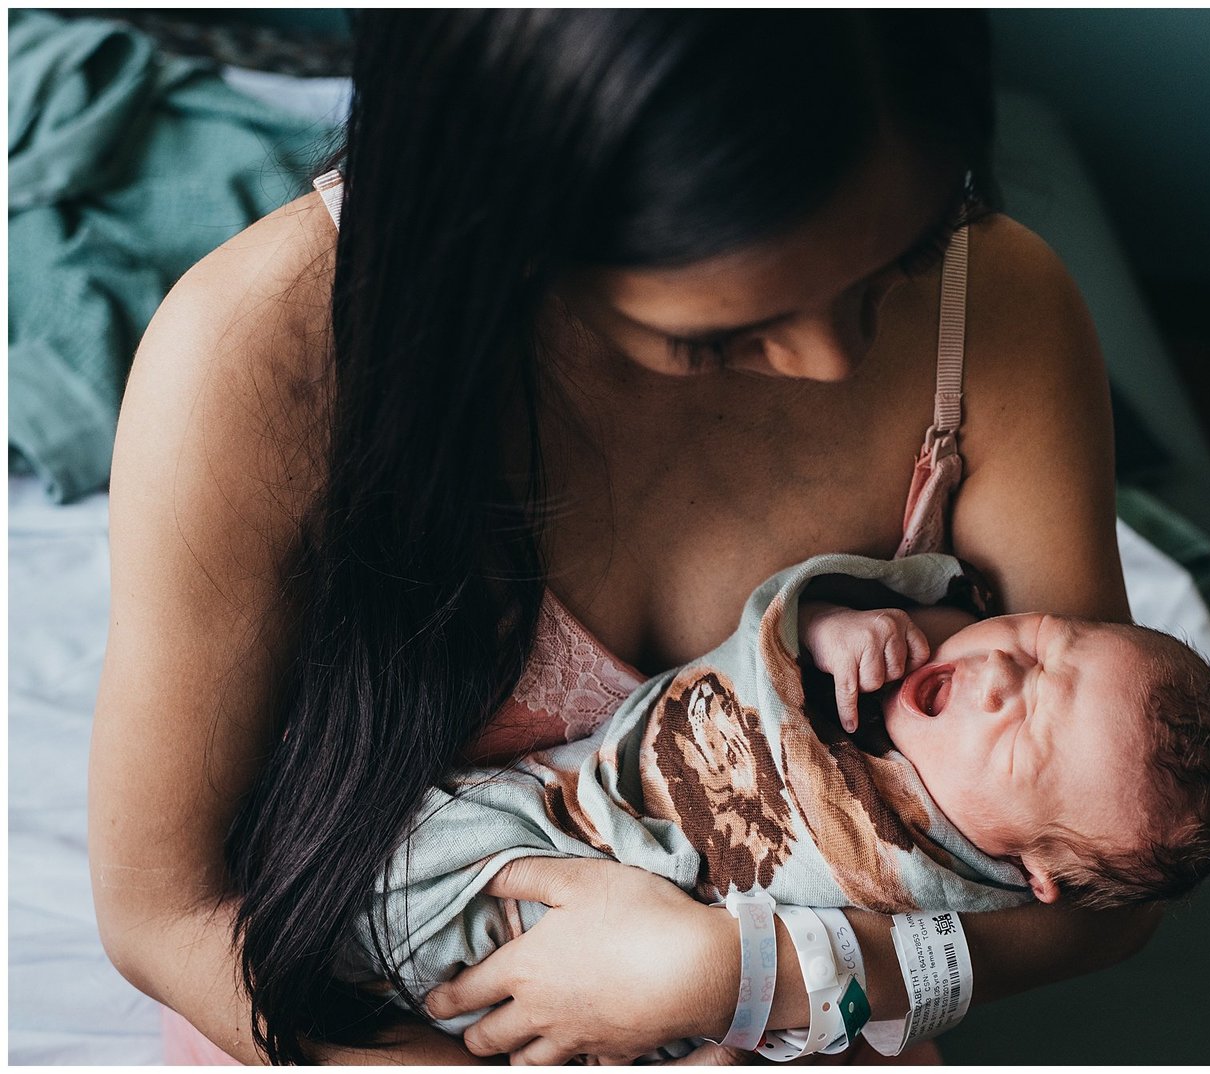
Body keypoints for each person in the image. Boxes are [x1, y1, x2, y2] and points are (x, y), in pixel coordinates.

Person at [88, 10, 1154, 1066]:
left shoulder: (997, 311)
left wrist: (755, 978)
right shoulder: (257, 362)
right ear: (505, 220)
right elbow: (166, 915)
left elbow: (1120, 878)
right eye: (714, 337)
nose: (835, 362)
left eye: (901, 254)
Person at [346, 553, 1210, 1059]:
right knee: (400, 865)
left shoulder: (940, 899)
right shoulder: (887, 651)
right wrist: (826, 624)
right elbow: (766, 643)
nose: (1002, 673)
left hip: (633, 1006)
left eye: (1025, 733)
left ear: (1037, 871)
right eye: (1039, 637)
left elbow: (850, 997)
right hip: (553, 825)